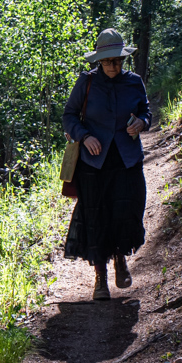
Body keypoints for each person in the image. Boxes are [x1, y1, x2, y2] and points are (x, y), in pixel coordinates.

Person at [63, 28, 151, 300]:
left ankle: (121, 261)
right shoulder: (87, 82)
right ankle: (100, 278)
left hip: (126, 160)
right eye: (108, 61)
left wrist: (142, 123)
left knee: (126, 212)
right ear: (99, 61)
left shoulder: (134, 82)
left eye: (118, 60)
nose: (113, 65)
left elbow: (146, 111)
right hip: (94, 163)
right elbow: (69, 116)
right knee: (96, 217)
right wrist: (84, 135)